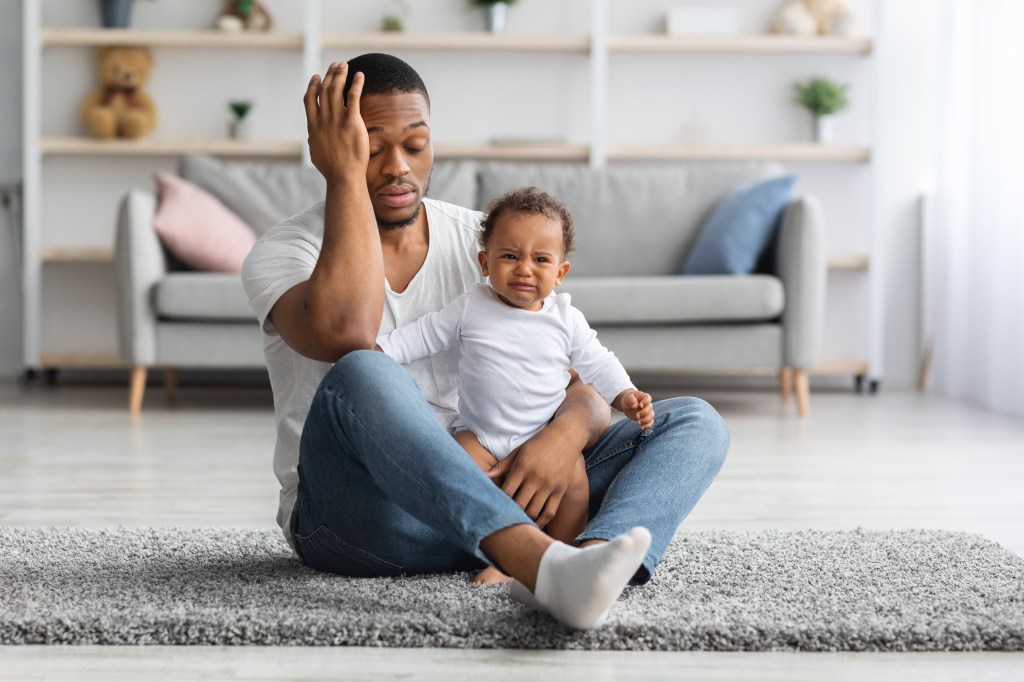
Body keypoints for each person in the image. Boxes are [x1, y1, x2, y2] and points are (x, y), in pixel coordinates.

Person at [241, 53, 730, 630]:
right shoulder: (285, 253)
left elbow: (569, 373)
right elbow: (350, 334)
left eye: (415, 145)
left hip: (505, 486)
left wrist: (565, 437)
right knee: (363, 370)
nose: (398, 167)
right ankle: (537, 559)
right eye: (371, 148)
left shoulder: (490, 243)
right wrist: (343, 177)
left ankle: (589, 562)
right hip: (370, 520)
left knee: (696, 421)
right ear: (333, 147)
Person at [376, 186, 655, 584]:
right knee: (461, 477)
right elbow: (422, 335)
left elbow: (598, 361)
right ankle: (508, 559)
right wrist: (379, 351)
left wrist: (626, 395)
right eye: (510, 256)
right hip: (481, 435)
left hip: (543, 435)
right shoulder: (472, 305)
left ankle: (563, 558)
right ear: (485, 262)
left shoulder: (564, 318)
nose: (524, 268)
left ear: (560, 272)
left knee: (574, 488)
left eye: (541, 259)